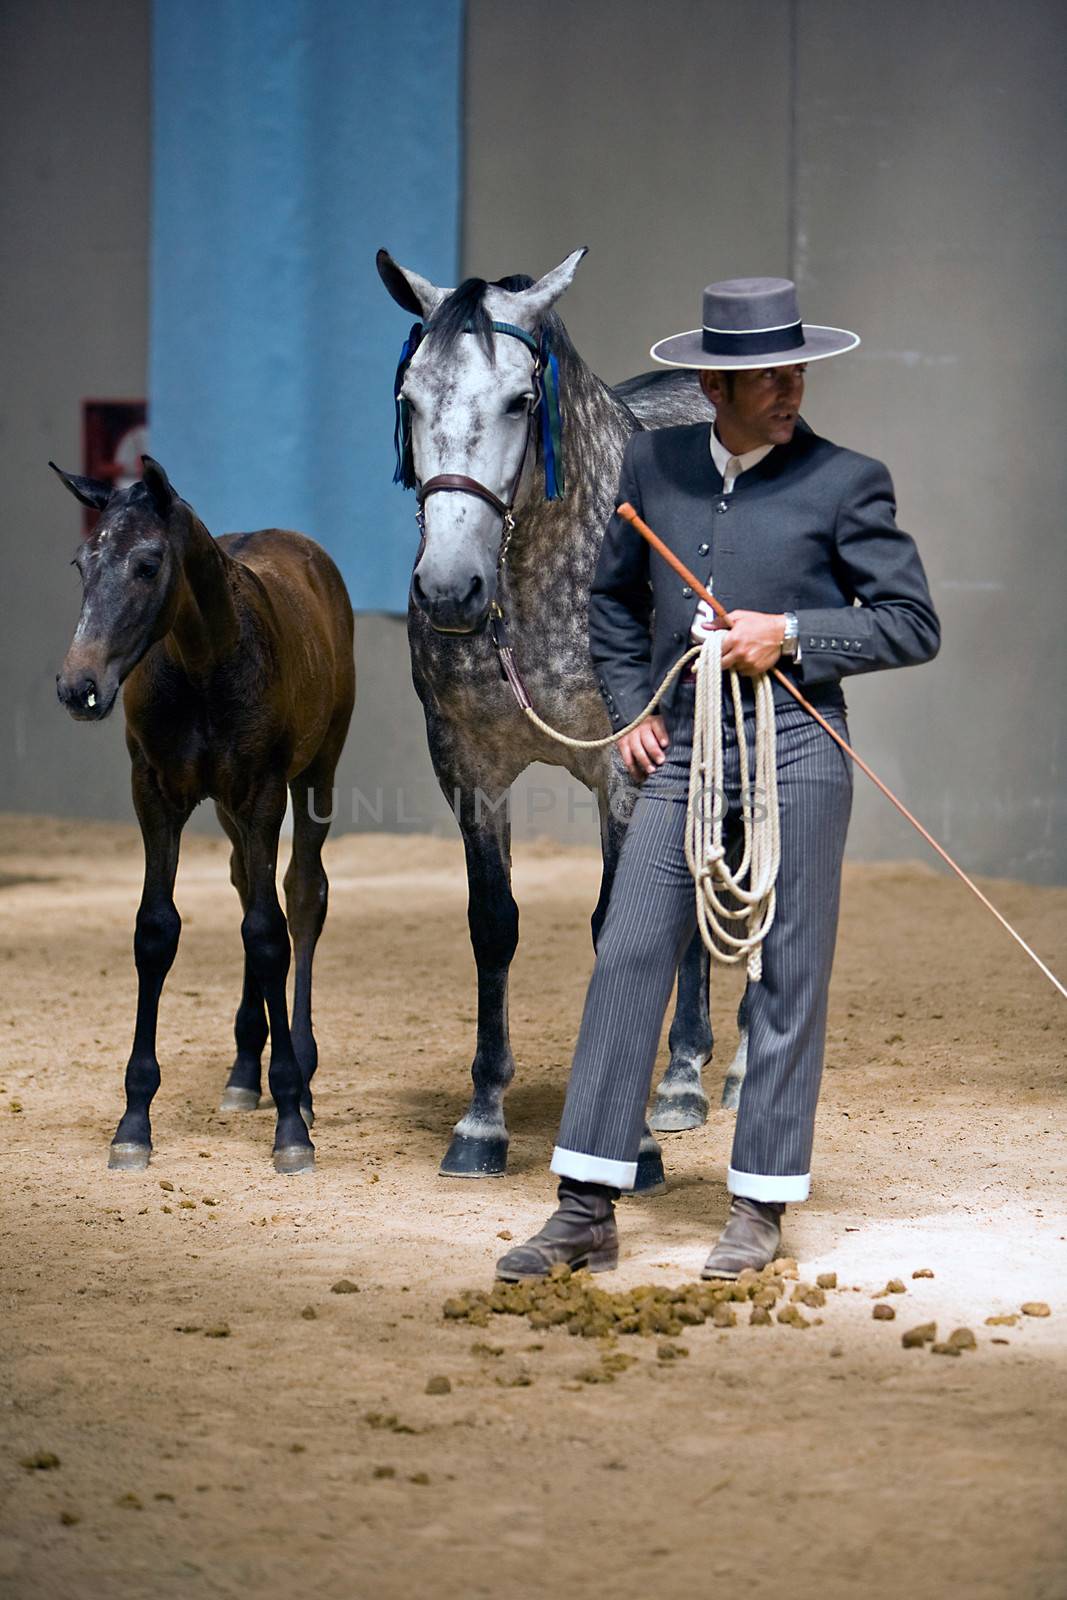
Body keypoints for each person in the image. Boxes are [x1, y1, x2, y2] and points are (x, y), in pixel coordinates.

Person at [496, 275, 941, 1281]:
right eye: (763, 378)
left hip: (797, 744)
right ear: (710, 387)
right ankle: (583, 1205)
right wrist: (629, 712)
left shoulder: (846, 480)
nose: (787, 390)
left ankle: (756, 1207)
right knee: (627, 948)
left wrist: (788, 633)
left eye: (793, 371)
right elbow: (610, 605)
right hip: (683, 749)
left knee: (785, 970)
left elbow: (911, 623)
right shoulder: (648, 467)